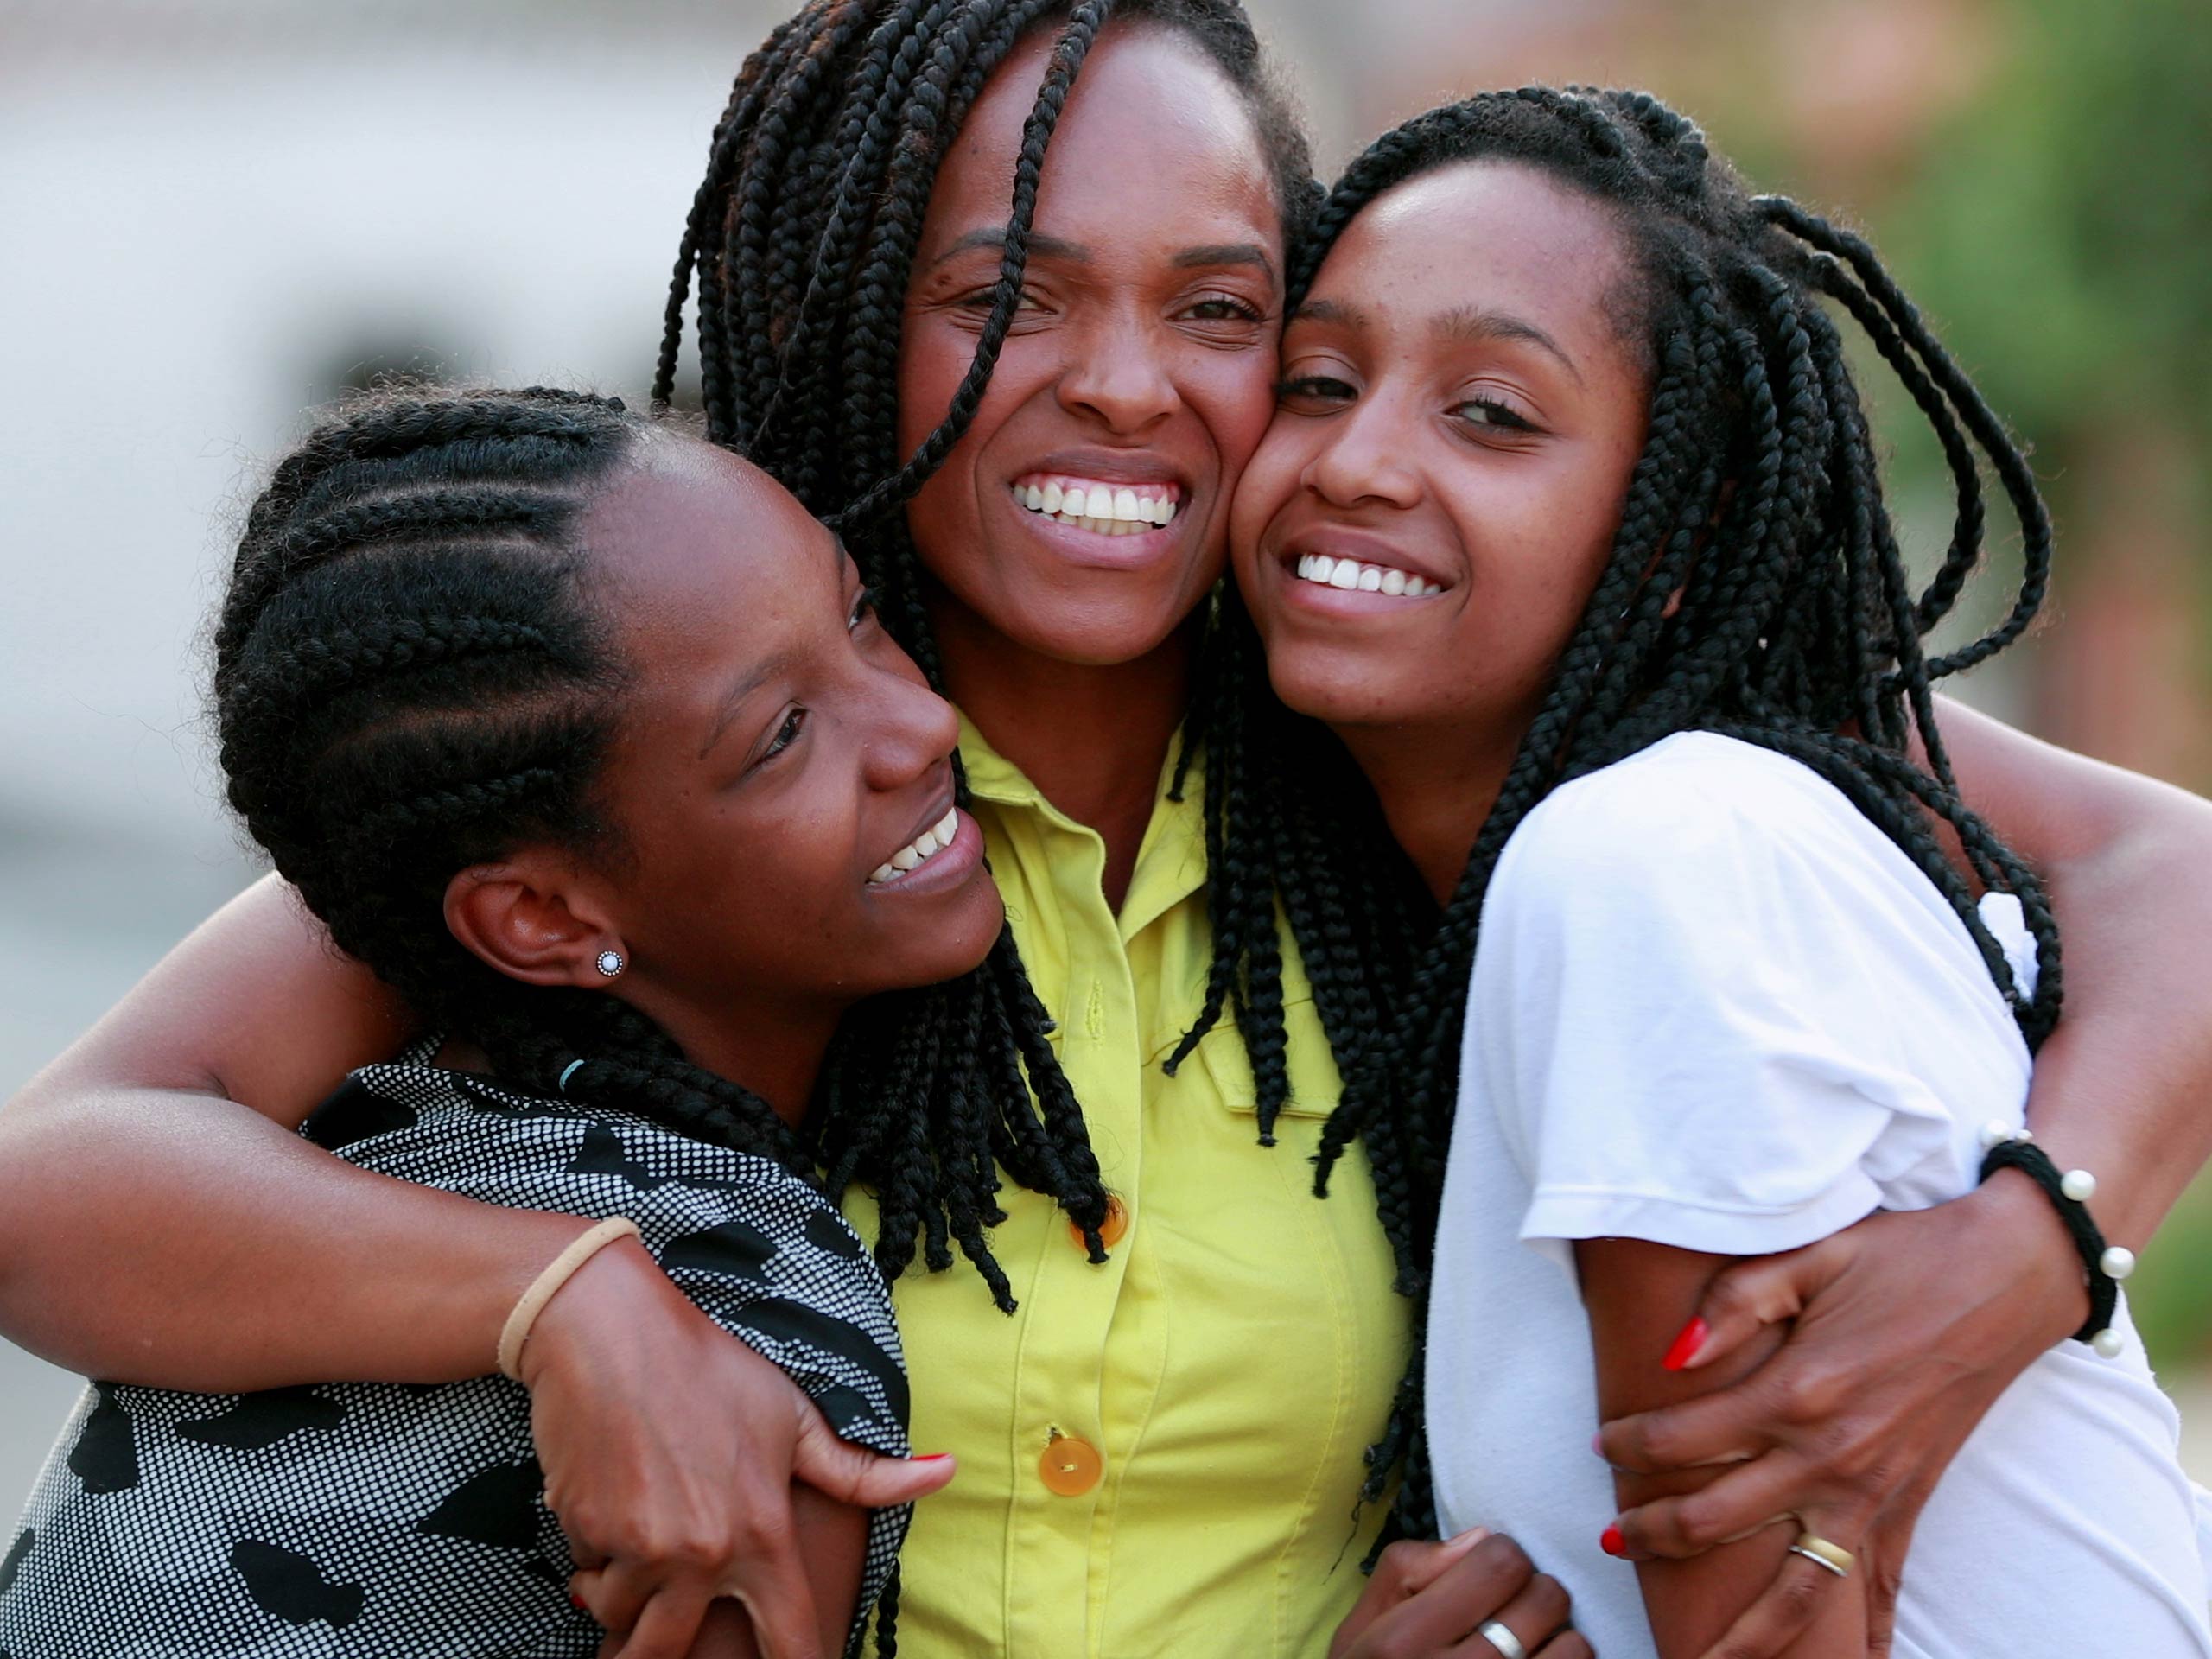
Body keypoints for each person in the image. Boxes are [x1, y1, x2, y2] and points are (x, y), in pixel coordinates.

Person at [7, 6, 2212, 1654]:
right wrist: (571, 1301)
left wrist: (2038, 1233)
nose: (1132, 387)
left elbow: (2166, 870)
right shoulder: (714, 786)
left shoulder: (1417, 710)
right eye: (1008, 295)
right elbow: (61, 1182)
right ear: (839, 306)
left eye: (1222, 310)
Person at [1230, 86, 2212, 1656]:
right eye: (1318, 379)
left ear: (1675, 533)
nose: (1356, 458)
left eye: (1492, 412)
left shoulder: (1650, 859)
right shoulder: (1600, 854)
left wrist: (2043, 1235)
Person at [0, 387, 1014, 1657]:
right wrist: (560, 1295)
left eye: (858, 613)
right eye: (784, 735)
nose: (924, 722)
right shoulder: (755, 1337)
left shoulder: (367, 1115)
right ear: (535, 914)